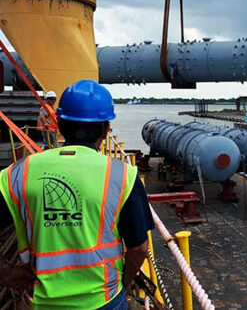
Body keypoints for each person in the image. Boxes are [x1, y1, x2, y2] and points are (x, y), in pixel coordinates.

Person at [0, 80, 154, 309]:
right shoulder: (123, 176)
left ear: (60, 126)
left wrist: (6, 272)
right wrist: (123, 282)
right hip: (103, 300)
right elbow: (139, 249)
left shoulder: (17, 173)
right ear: (105, 129)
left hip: (40, 302)